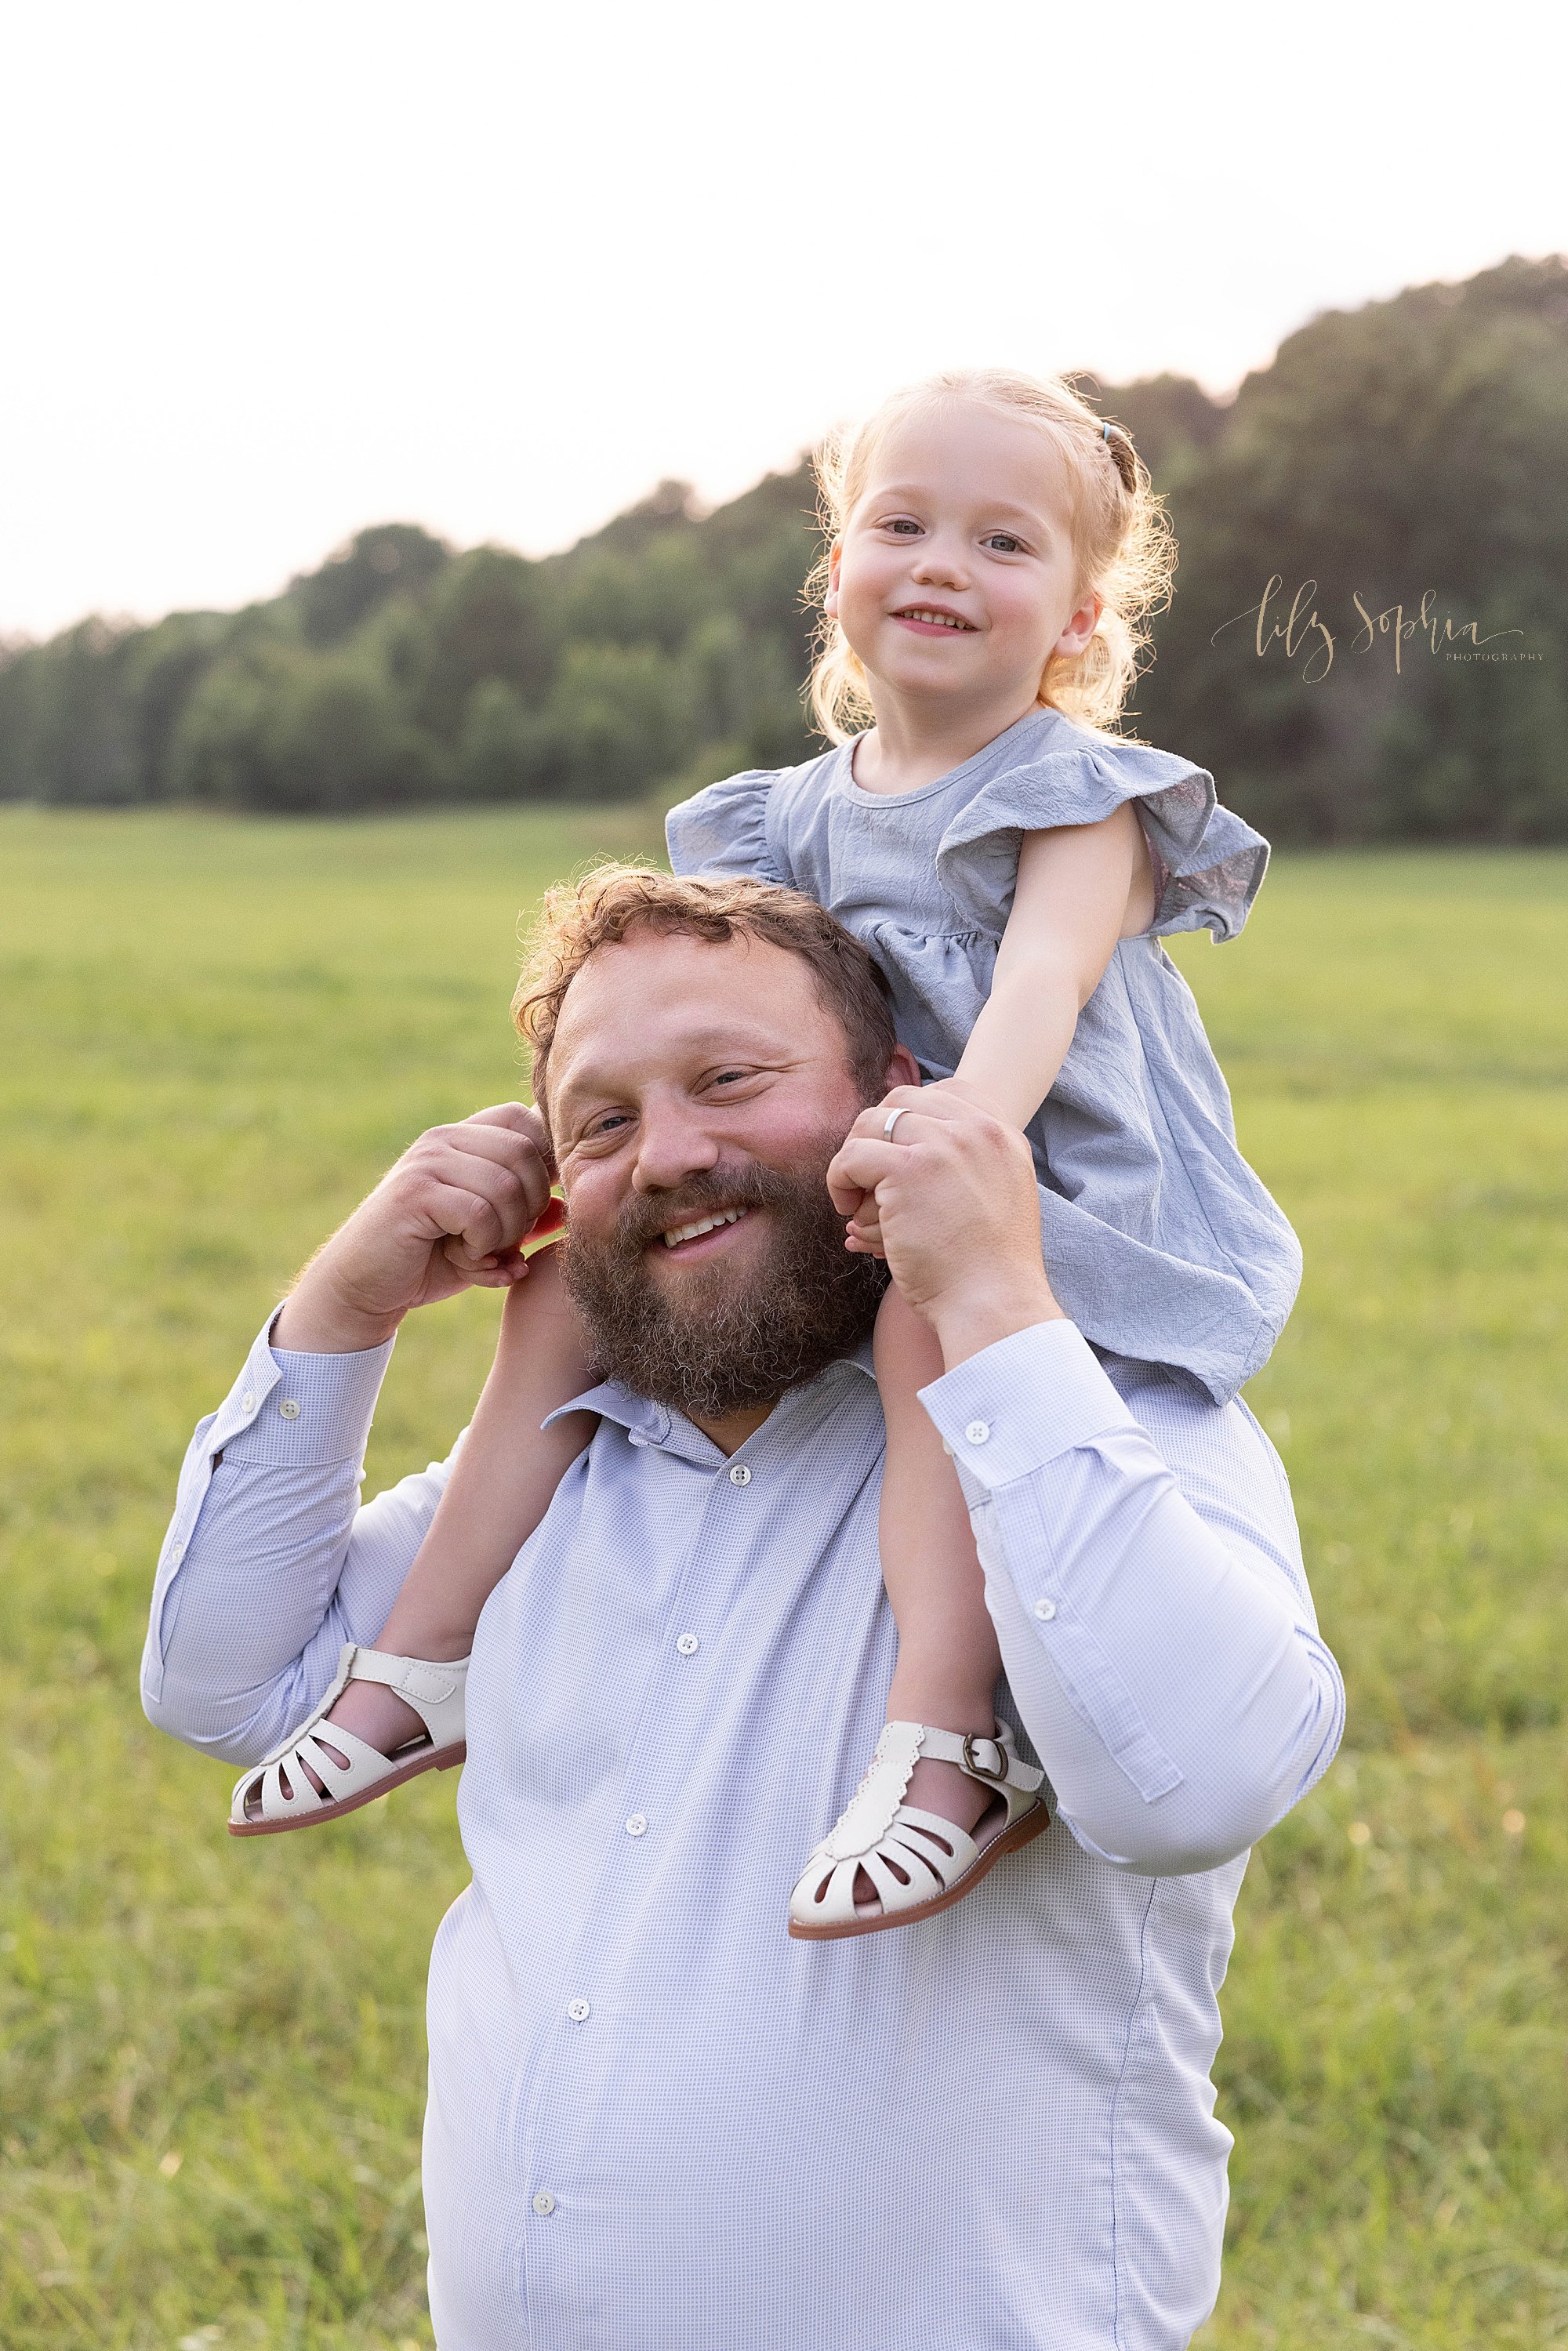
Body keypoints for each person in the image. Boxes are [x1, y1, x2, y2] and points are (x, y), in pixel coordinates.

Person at [145, 868, 1343, 2349]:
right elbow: (228, 1687)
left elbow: (1192, 1787)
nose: (668, 1154)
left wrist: (992, 1292)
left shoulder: (1097, 1439)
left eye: (730, 1081)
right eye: (601, 1123)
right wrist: (342, 1308)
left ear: (895, 1095)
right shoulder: (556, 1472)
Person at [215, 367, 1303, 1942]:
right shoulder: (778, 819)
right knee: (561, 1298)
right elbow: (728, 1015)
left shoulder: (1080, 800)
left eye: (1002, 542)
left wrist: (950, 1137)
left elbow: (1042, 987)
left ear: (1078, 617)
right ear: (838, 567)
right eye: (902, 525)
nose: (941, 565)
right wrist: (599, 1142)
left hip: (1029, 1192)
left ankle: (947, 1734)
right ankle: (426, 1654)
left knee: (924, 1324)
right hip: (845, 1185)